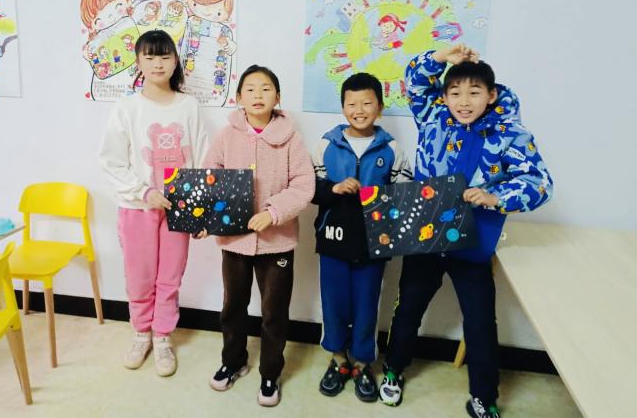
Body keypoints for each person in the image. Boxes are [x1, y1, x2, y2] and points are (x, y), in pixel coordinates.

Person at [379, 44, 553, 418]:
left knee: (480, 320)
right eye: (455, 93)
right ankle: (393, 370)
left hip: (473, 240)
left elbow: (540, 183)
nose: (463, 101)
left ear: (491, 95)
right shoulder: (432, 117)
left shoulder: (511, 134)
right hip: (426, 233)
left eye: (474, 92)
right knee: (408, 307)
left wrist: (495, 197)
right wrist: (441, 58)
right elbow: (414, 82)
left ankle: (484, 397)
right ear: (444, 97)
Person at [199, 65, 315, 406]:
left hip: (277, 243)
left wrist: (273, 212)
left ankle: (270, 374)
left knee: (274, 312)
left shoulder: (291, 138)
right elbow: (209, 178)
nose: (258, 95)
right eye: (250, 89)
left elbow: (304, 185)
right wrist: (204, 219)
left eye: (266, 88)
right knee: (232, 306)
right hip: (234, 241)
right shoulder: (226, 136)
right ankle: (233, 361)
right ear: (239, 98)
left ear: (278, 97)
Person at [100, 30, 209, 377]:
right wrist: (144, 192)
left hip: (180, 208)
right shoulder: (127, 108)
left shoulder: (189, 106)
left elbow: (202, 159)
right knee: (139, 276)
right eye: (149, 57)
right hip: (138, 207)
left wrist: (199, 210)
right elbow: (112, 161)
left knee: (170, 276)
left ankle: (162, 337)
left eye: (164, 56)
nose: (157, 63)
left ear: (175, 61)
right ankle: (140, 334)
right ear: (138, 62)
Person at [311, 72, 413, 402]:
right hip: (333, 240)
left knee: (367, 304)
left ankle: (363, 363)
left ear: (380, 108)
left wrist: (381, 197)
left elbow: (404, 193)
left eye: (367, 103)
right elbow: (309, 187)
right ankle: (338, 360)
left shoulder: (391, 148)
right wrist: (334, 188)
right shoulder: (327, 144)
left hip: (374, 242)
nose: (359, 110)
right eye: (352, 103)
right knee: (334, 303)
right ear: (342, 107)